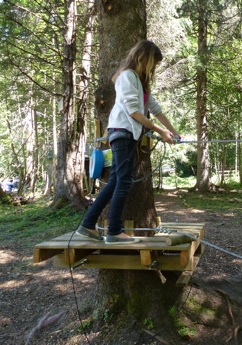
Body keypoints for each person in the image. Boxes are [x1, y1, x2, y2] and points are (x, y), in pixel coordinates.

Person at [76, 40, 180, 244]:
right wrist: (161, 131)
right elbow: (134, 112)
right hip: (122, 132)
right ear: (144, 59)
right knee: (124, 181)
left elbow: (155, 109)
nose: (154, 69)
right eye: (154, 64)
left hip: (125, 134)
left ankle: (87, 225)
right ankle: (114, 231)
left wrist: (173, 131)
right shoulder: (127, 77)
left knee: (116, 181)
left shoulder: (138, 81)